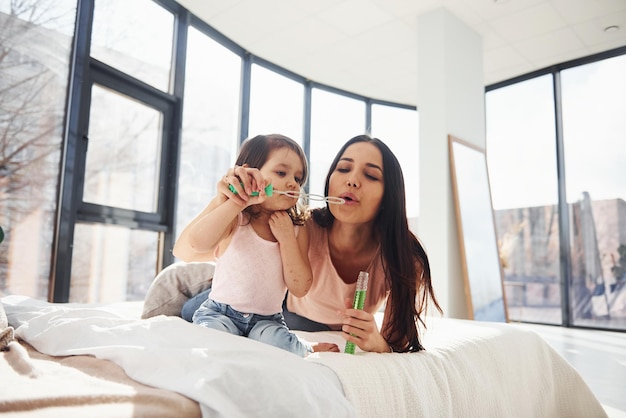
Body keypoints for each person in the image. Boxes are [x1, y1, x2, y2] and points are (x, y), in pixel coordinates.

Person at [178, 134, 442, 353]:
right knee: (190, 308)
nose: (352, 179)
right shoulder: (305, 223)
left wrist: (376, 342)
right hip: (277, 305)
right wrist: (224, 200)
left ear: (390, 195)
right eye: (343, 168)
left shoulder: (403, 256)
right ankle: (186, 282)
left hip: (271, 315)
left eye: (371, 175)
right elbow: (187, 250)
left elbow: (397, 343)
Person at [173, 134, 339, 357]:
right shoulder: (236, 216)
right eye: (282, 173)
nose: (293, 183)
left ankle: (306, 347)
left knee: (280, 344)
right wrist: (235, 203)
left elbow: (300, 288)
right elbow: (197, 242)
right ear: (250, 172)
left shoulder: (297, 229)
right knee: (211, 339)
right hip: (220, 313)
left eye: (298, 179)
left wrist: (287, 239)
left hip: (267, 321)